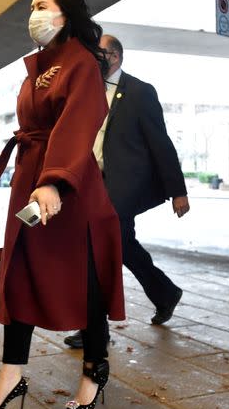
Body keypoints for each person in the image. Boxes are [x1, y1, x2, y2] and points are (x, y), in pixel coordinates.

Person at [0, 0, 125, 409]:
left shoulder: (80, 63)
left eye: (41, 4)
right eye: (31, 7)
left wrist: (55, 181)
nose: (33, 15)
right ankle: (10, 375)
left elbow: (79, 123)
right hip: (31, 180)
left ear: (65, 13)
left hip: (69, 189)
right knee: (16, 274)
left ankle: (94, 370)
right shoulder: (39, 65)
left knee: (86, 281)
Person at [64, 35, 190, 349]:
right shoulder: (85, 92)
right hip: (91, 185)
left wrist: (178, 191)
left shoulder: (140, 92)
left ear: (115, 57)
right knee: (121, 247)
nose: (92, 60)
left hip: (122, 189)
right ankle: (164, 292)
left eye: (99, 54)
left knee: (99, 252)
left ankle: (93, 328)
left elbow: (160, 143)